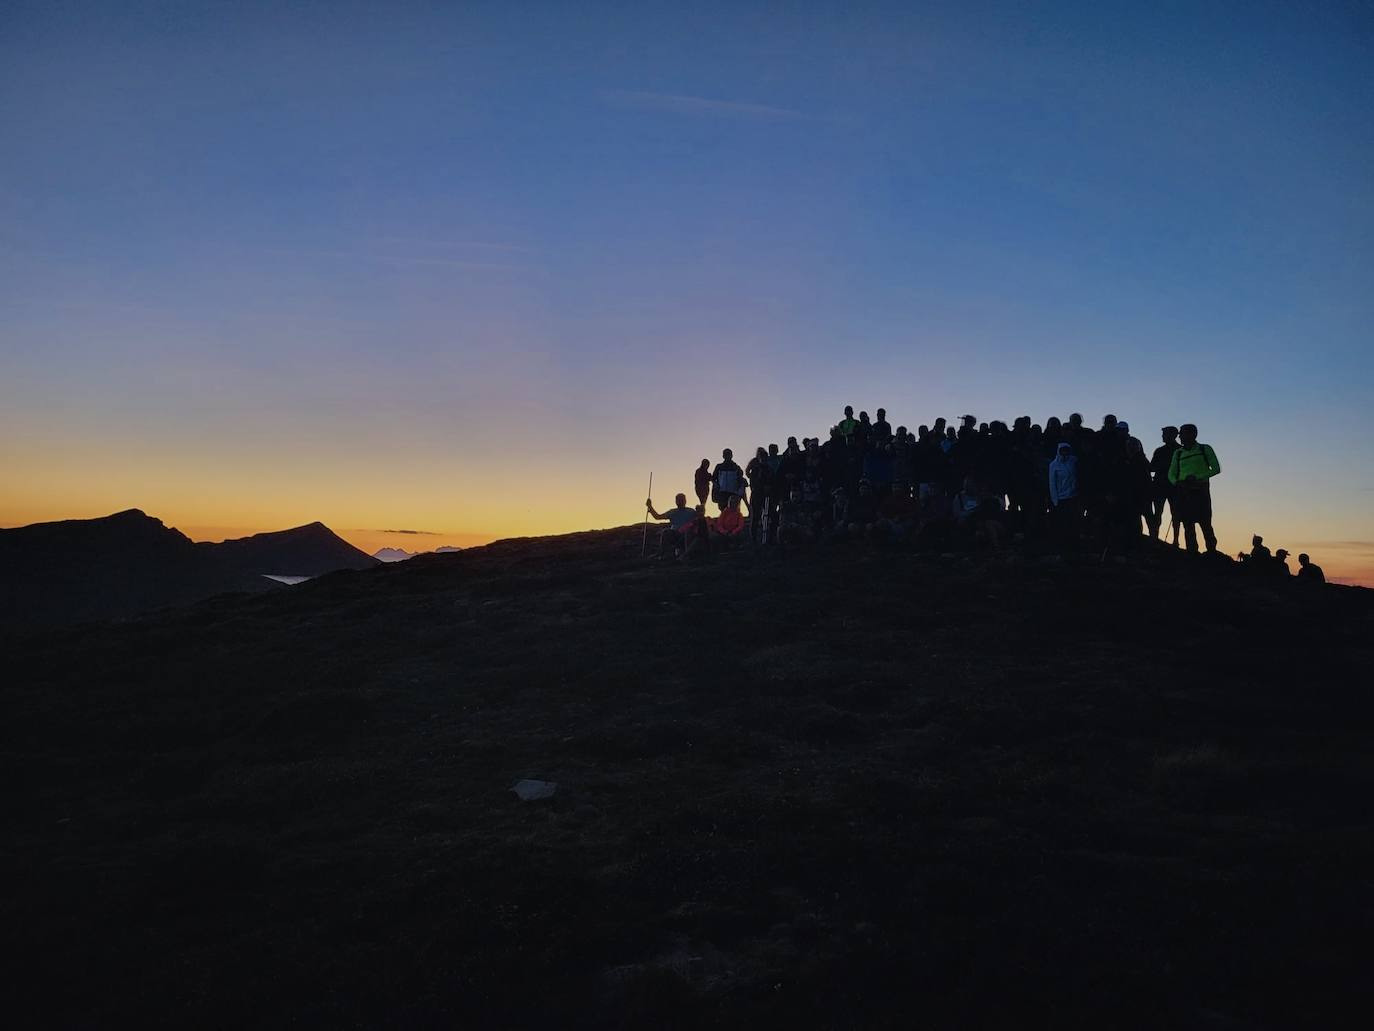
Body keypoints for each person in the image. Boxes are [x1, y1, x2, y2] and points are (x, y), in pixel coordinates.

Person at [1167, 424, 1220, 553]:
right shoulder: (1178, 453)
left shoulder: (1204, 449)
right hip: (1184, 490)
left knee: (1205, 522)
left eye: (1182, 434)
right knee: (1187, 524)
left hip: (1200, 489)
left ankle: (1211, 551)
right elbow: (1171, 473)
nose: (1180, 437)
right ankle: (1192, 552)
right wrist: (1177, 482)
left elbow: (1216, 469)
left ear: (1192, 434)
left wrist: (1197, 477)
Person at [1148, 427, 1180, 542]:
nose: (1162, 436)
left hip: (1172, 486)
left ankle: (1174, 540)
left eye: (1164, 434)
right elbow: (1151, 467)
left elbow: (1152, 467)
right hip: (1162, 486)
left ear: (1172, 435)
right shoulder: (1161, 450)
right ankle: (1156, 537)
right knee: (1161, 514)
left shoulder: (1179, 451)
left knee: (1175, 514)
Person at [646, 493, 699, 560]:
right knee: (666, 532)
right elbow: (657, 517)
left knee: (688, 533)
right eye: (678, 500)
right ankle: (664, 554)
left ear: (685, 501)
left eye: (682, 499)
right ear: (676, 501)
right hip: (675, 533)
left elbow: (699, 518)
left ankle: (687, 555)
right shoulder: (672, 512)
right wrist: (650, 507)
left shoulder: (691, 511)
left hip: (687, 534)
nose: (680, 501)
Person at [1048, 442, 1081, 548]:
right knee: (1062, 523)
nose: (1065, 452)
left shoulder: (1074, 460)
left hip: (1073, 497)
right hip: (1061, 499)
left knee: (1073, 522)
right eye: (1063, 450)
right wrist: (1055, 501)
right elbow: (1052, 483)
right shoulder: (1053, 465)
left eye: (1067, 450)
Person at [711, 448, 745, 513]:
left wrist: (739, 491)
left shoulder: (736, 467)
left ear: (731, 456)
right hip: (722, 492)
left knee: (733, 510)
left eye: (728, 454)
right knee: (723, 510)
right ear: (723, 456)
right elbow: (713, 478)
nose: (727, 456)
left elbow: (740, 479)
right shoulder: (719, 466)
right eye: (725, 454)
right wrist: (716, 486)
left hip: (732, 493)